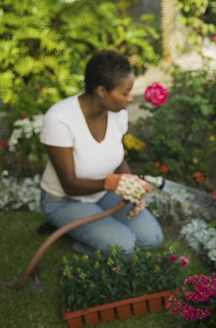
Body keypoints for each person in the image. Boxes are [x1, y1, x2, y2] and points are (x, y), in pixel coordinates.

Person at [39, 49, 163, 256]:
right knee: (125, 247)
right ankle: (71, 230)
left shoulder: (117, 113)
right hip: (64, 200)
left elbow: (117, 158)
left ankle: (91, 233)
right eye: (125, 92)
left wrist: (132, 185)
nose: (130, 98)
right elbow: (69, 184)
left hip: (102, 194)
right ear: (101, 91)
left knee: (153, 238)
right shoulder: (59, 118)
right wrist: (114, 184)